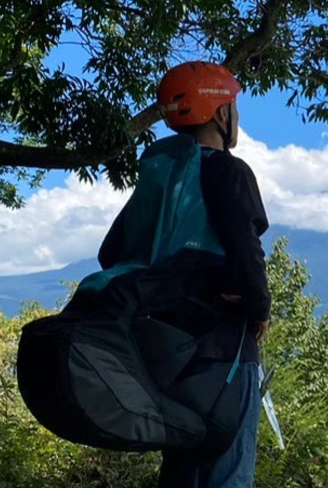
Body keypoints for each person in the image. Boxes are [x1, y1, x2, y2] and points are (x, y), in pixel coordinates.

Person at [97, 61, 271, 487]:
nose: (237, 116)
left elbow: (110, 254)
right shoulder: (229, 171)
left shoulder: (160, 177)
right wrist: (258, 307)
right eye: (233, 105)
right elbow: (246, 247)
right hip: (224, 353)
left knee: (182, 470)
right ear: (217, 111)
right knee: (227, 471)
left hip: (168, 353)